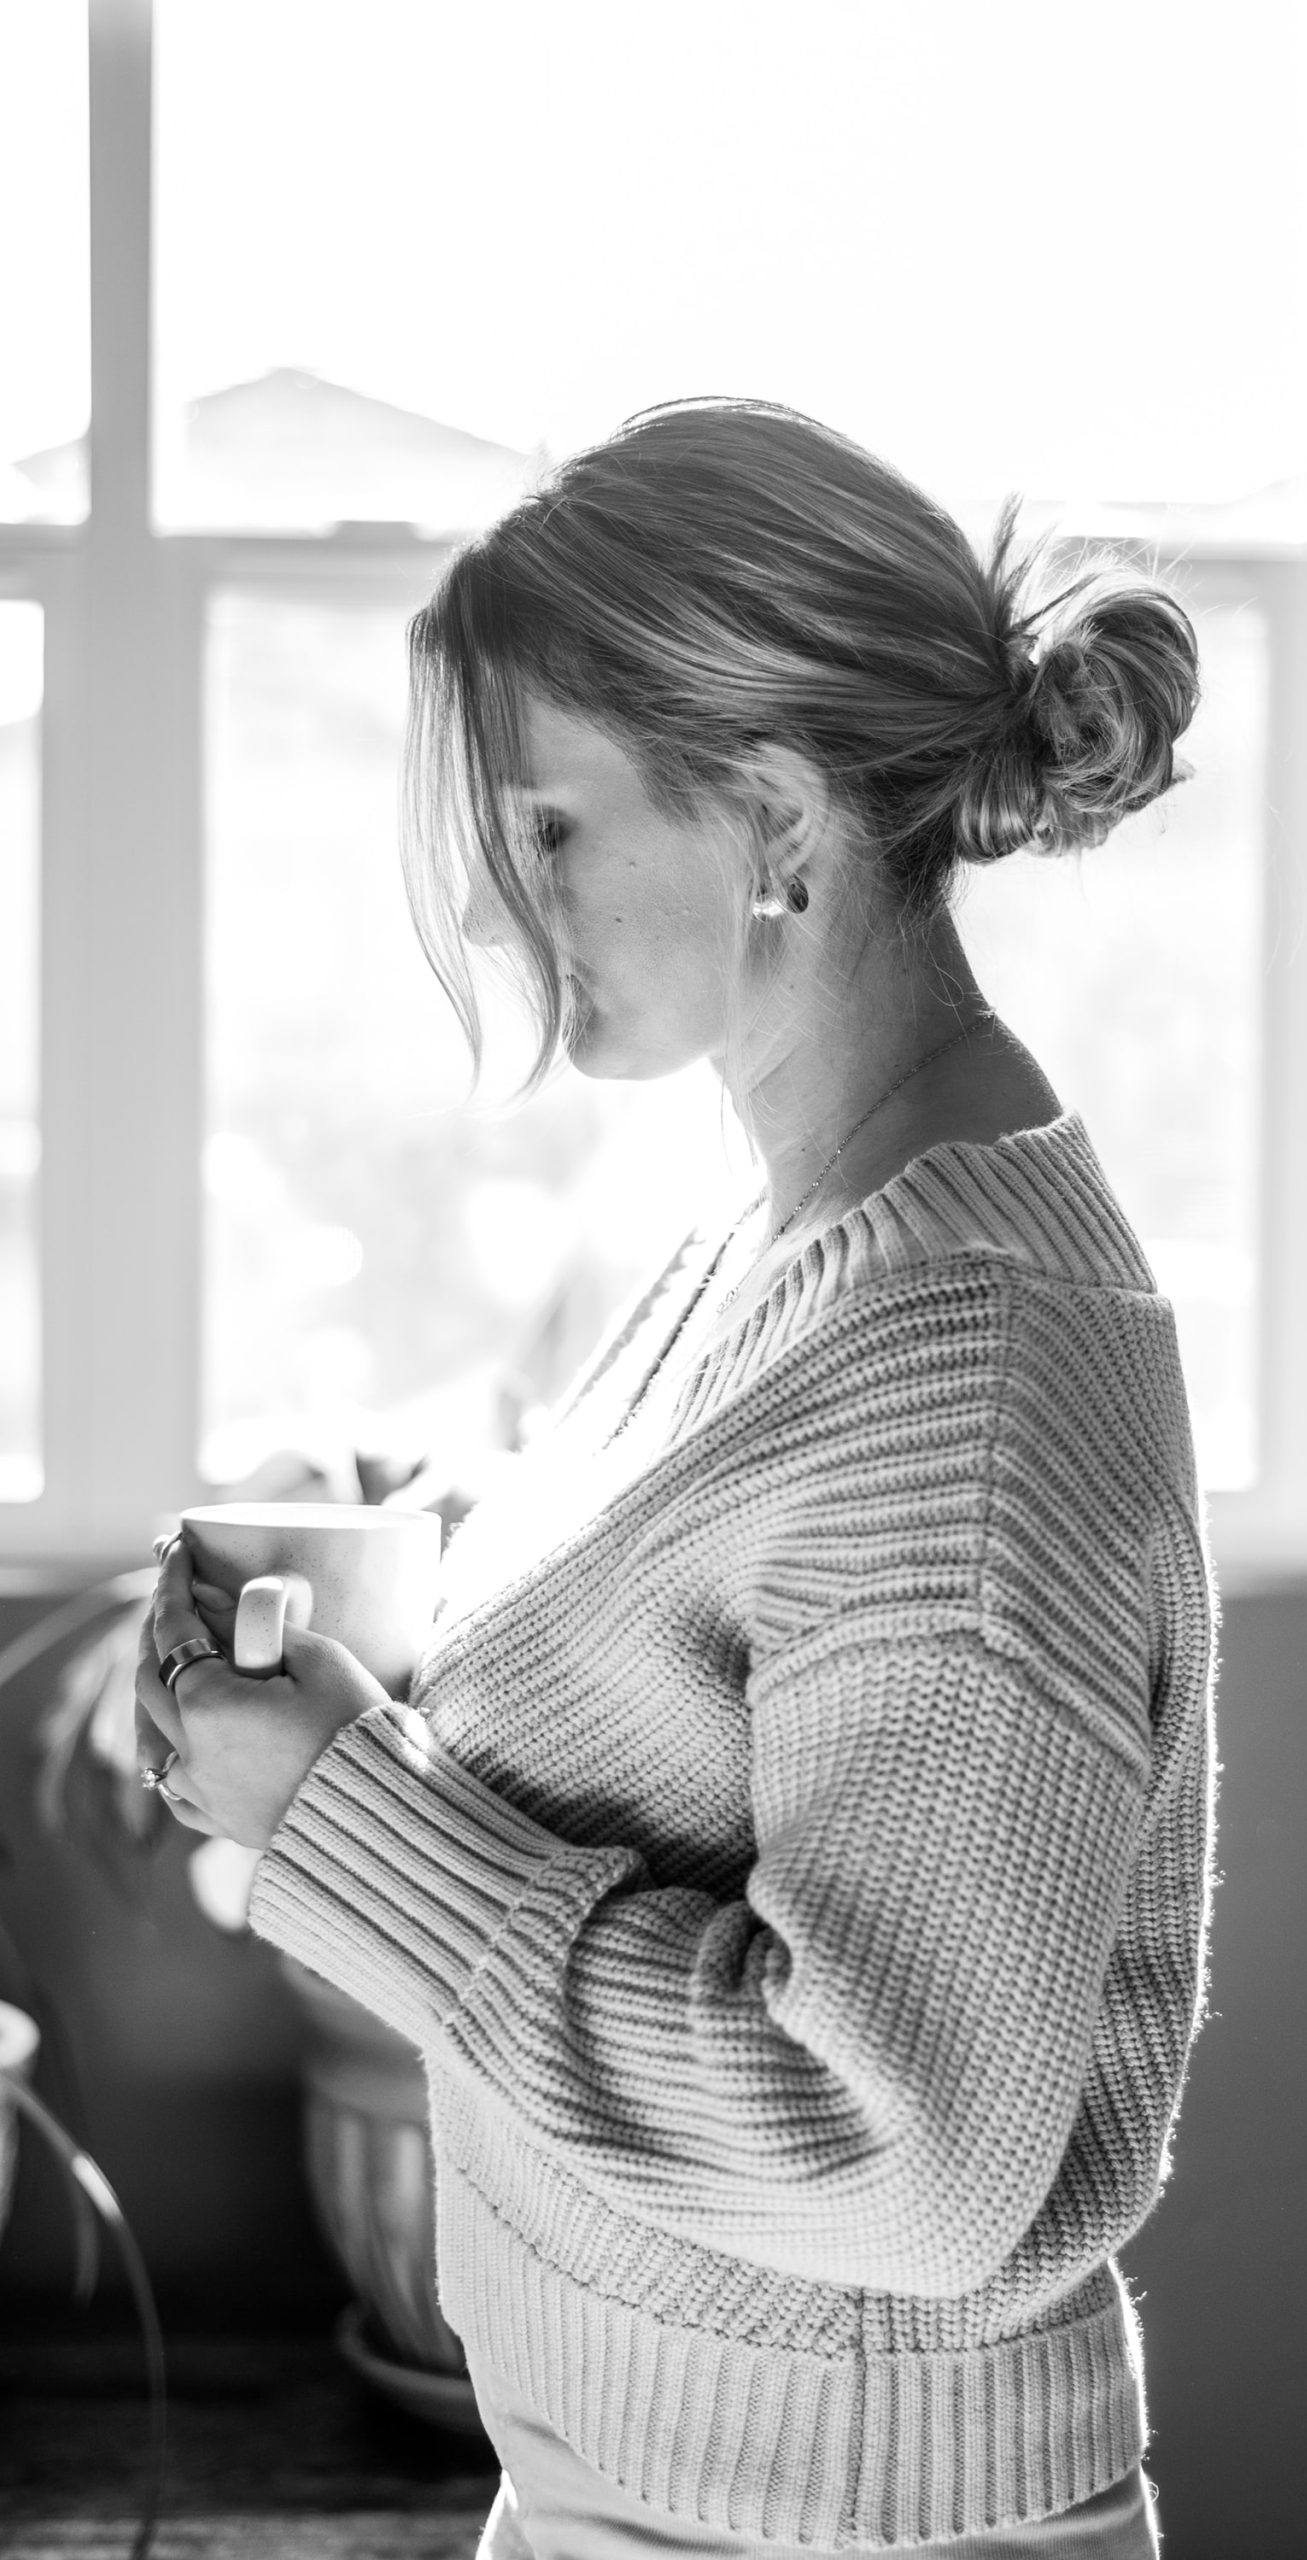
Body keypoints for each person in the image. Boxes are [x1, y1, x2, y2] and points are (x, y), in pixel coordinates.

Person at [136, 401, 1216, 2560]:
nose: (501, 902)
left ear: (777, 820)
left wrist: (338, 1814)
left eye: (549, 827)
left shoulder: (974, 1367)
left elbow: (896, 2152)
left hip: (834, 2527)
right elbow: (727, 1592)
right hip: (662, 2486)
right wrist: (418, 1517)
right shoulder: (808, 1215)